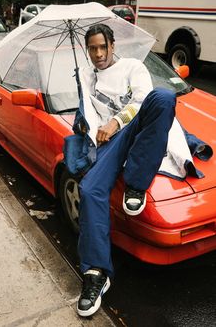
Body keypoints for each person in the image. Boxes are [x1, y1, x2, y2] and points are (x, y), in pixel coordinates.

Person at [71, 23, 176, 317]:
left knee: (165, 97)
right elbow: (87, 115)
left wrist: (116, 122)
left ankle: (136, 183)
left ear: (113, 45)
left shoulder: (132, 67)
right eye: (92, 48)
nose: (98, 54)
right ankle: (95, 275)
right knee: (90, 190)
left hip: (132, 130)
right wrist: (83, 118)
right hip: (105, 144)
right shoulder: (86, 74)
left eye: (103, 47)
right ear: (87, 49)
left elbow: (144, 101)